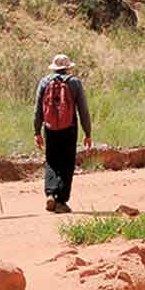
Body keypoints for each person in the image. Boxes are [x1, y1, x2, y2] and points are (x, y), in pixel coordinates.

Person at [34, 53, 91, 214]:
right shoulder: (74, 83)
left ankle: (50, 193)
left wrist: (36, 131)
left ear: (54, 68)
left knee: (52, 160)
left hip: (50, 128)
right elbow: (83, 110)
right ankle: (61, 200)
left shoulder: (44, 82)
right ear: (67, 68)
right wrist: (88, 133)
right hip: (69, 128)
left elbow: (38, 109)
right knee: (66, 163)